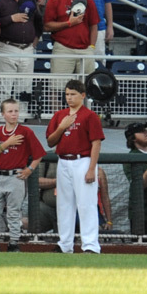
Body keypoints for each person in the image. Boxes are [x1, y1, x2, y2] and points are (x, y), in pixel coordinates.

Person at [46, 79, 104, 255]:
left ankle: (90, 245)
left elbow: (96, 143)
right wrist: (62, 127)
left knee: (86, 203)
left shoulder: (89, 116)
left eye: (73, 94)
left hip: (83, 160)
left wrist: (91, 168)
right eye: (67, 94)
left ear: (83, 95)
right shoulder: (59, 115)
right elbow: (50, 141)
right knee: (64, 204)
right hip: (63, 160)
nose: (69, 98)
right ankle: (65, 244)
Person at [0, 97, 45, 252]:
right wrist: (7, 143)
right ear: (3, 114)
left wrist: (29, 170)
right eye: (10, 111)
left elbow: (38, 154)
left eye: (16, 111)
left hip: (15, 176)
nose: (14, 114)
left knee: (14, 212)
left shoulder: (25, 132)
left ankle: (13, 243)